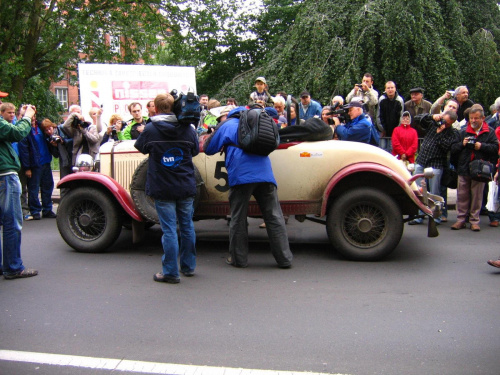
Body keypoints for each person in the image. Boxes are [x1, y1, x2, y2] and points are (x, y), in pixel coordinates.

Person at [204, 106, 293, 269]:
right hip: (265, 174)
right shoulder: (257, 123)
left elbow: (209, 149)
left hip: (241, 176)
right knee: (274, 216)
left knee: (238, 218)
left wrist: (216, 131)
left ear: (228, 115)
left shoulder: (228, 124)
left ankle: (239, 259)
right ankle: (285, 259)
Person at [134, 93, 199, 284]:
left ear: (155, 107)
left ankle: (170, 272)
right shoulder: (188, 129)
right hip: (185, 185)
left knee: (169, 230)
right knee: (187, 226)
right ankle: (188, 267)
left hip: (162, 187)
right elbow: (195, 151)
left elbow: (142, 148)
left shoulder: (151, 129)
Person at [0, 104, 38, 279]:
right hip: (5, 176)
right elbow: (16, 133)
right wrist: (27, 116)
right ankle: (13, 267)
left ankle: (4, 266)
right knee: (12, 223)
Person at [450, 104, 498, 231]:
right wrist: (462, 144)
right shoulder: (463, 131)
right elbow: (453, 149)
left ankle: (474, 220)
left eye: (476, 118)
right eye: (471, 118)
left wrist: (481, 146)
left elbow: (495, 148)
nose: (473, 121)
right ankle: (461, 219)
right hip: (464, 167)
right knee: (462, 195)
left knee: (477, 196)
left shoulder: (489, 131)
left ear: (482, 118)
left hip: (480, 169)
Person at [409, 110, 459, 225]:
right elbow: (416, 118)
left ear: (451, 123)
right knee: (418, 190)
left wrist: (440, 133)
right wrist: (432, 116)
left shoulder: (452, 133)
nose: (444, 124)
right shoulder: (433, 123)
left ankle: (436, 217)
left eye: (447, 123)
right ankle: (419, 215)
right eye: (443, 121)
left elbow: (446, 147)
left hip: (436, 164)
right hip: (422, 161)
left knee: (435, 192)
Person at [18, 114, 57, 220]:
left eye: (34, 115)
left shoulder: (41, 127)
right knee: (33, 189)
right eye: (31, 116)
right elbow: (24, 151)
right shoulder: (24, 130)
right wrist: (27, 168)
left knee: (47, 186)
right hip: (34, 164)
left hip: (46, 162)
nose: (33, 118)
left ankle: (47, 209)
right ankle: (35, 210)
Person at [376, 81, 404, 152]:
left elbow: (401, 116)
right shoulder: (382, 99)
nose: (390, 90)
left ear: (395, 89)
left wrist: (396, 131)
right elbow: (378, 115)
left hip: (394, 131)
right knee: (382, 149)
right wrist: (382, 129)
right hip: (382, 130)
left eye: (392, 88)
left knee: (392, 150)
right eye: (388, 88)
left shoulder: (399, 100)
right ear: (385, 89)